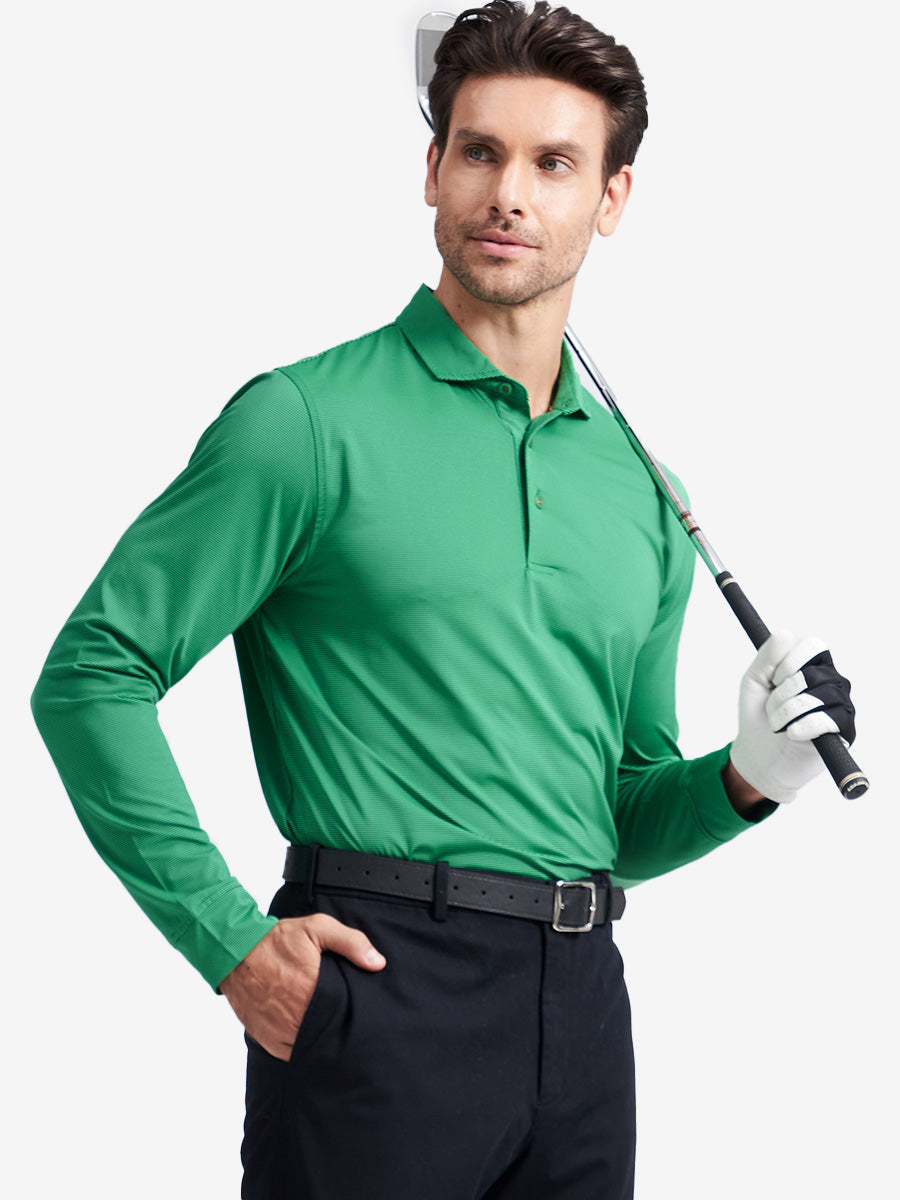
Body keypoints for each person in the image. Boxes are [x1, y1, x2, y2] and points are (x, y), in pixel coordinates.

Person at [31, 2, 856, 1197]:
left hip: (584, 1010)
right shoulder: (306, 423)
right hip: (377, 987)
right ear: (433, 170)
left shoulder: (643, 490)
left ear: (612, 198)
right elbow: (93, 674)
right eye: (481, 152)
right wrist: (231, 943)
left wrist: (745, 780)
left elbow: (610, 817)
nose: (508, 194)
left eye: (554, 163)